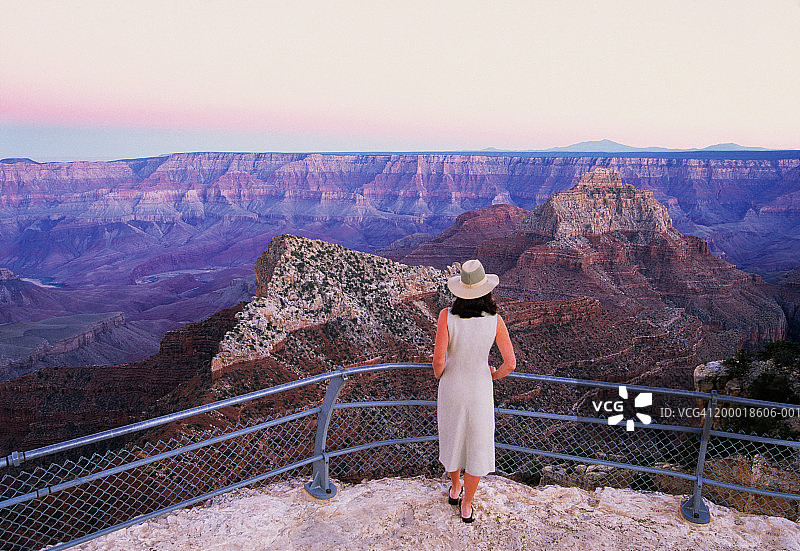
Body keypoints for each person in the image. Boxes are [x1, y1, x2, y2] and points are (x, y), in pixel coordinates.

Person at [433, 259, 516, 523]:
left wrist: (440, 376)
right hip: (480, 388)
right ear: (486, 291)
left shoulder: (446, 316)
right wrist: (493, 374)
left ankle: (455, 488)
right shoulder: (495, 320)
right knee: (477, 445)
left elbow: (438, 362)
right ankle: (467, 505)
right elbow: (510, 363)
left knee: (453, 438)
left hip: (452, 387)